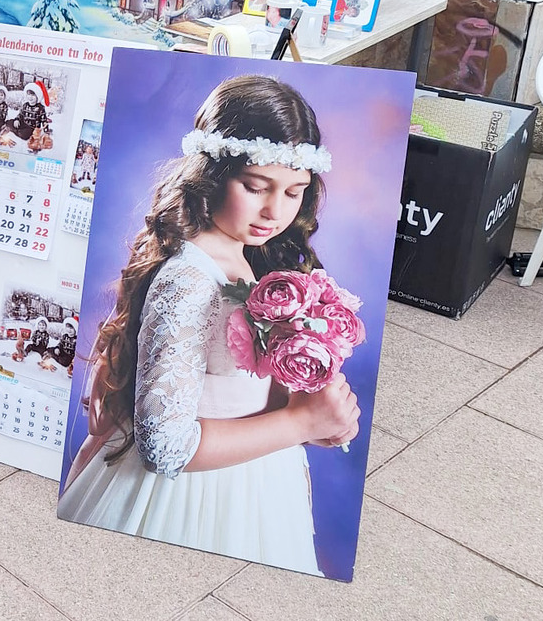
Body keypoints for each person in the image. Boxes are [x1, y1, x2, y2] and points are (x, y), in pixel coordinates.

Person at [57, 75, 360, 575]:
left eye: (294, 192)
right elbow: (165, 446)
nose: (274, 211)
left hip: (254, 477)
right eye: (256, 187)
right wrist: (298, 422)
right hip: (192, 497)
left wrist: (311, 410)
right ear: (212, 174)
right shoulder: (190, 280)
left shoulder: (250, 261)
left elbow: (235, 386)